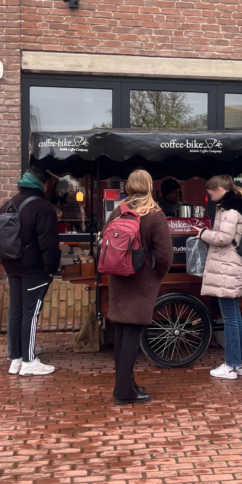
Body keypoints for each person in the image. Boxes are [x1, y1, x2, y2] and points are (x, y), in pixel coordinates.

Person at [106, 169, 173, 403]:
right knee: (132, 335)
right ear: (149, 185)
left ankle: (126, 384)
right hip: (141, 280)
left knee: (122, 334)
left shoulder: (118, 211)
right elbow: (165, 254)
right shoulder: (155, 215)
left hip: (118, 278)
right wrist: (158, 274)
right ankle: (124, 391)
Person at [197, 174, 242, 381]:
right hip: (235, 266)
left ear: (219, 190)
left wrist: (203, 233)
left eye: (210, 193)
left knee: (230, 318)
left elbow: (224, 238)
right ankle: (239, 363)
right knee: (235, 317)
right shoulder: (241, 206)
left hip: (226, 268)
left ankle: (231, 365)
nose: (209, 197)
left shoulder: (229, 210)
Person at [5, 168, 61, 377]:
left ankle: (15, 358)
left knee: (16, 311)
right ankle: (29, 362)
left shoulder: (9, 203)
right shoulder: (42, 207)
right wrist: (50, 270)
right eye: (48, 185)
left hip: (12, 266)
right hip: (34, 269)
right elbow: (49, 244)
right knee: (30, 313)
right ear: (42, 184)